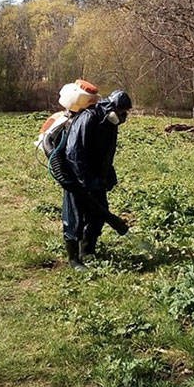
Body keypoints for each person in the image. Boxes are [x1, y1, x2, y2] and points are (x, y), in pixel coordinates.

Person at [62, 90, 132, 270]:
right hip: (75, 177)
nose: (123, 116)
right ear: (111, 107)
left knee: (99, 214)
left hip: (95, 177)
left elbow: (107, 152)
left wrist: (107, 175)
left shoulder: (110, 123)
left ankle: (88, 250)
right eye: (121, 111)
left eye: (126, 112)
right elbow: (73, 153)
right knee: (74, 218)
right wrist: (84, 181)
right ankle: (74, 259)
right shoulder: (88, 118)